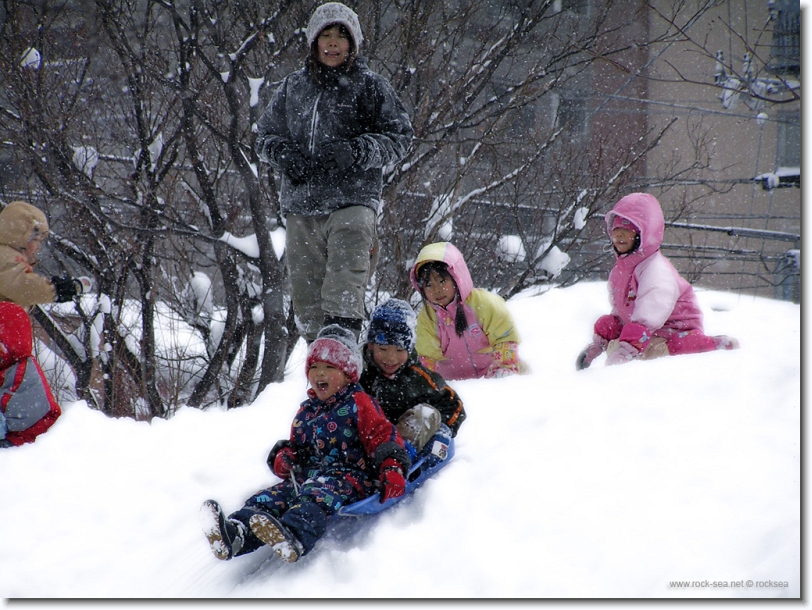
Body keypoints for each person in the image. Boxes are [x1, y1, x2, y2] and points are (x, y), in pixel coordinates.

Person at [255, 2, 414, 342]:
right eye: (325, 35)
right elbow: (263, 135)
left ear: (352, 43)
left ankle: (346, 353)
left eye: (341, 36)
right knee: (309, 307)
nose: (332, 43)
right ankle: (325, 382)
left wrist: (357, 151)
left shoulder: (370, 86)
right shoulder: (292, 87)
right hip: (302, 206)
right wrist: (283, 154)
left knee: (342, 294)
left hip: (352, 203)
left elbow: (400, 138)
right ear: (313, 41)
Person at [200, 324, 411, 563]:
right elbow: (296, 446)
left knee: (315, 494)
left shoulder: (359, 402)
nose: (320, 374)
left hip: (350, 476)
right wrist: (284, 459)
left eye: (330, 367)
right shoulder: (306, 411)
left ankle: (295, 534)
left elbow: (382, 435)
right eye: (314, 367)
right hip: (310, 474)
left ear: (348, 373)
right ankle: (238, 533)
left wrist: (392, 466)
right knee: (273, 495)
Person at [576, 192, 740, 369]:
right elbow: (620, 307)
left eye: (627, 232)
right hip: (641, 328)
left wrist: (625, 353)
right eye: (616, 232)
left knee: (664, 350)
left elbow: (650, 310)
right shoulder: (622, 268)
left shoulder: (655, 269)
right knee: (607, 323)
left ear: (642, 235)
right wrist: (612, 332)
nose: (620, 237)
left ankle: (710, 344)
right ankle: (596, 348)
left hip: (673, 328)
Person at [0, 200, 88, 447]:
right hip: (5, 342)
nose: (39, 247)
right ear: (20, 234)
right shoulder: (5, 256)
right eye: (36, 239)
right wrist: (58, 289)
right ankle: (23, 434)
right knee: (25, 384)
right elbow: (22, 287)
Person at [359, 298, 466, 454]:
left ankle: (397, 456)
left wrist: (441, 430)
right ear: (371, 345)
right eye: (383, 349)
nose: (391, 358)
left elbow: (454, 405)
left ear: (409, 349)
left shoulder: (418, 377)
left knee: (426, 414)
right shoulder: (359, 372)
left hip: (403, 439)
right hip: (365, 437)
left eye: (399, 350)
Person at [409, 241, 523, 381]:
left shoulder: (484, 304)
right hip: (453, 388)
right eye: (428, 285)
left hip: (490, 381)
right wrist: (428, 384)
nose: (436, 290)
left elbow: (504, 338)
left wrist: (504, 370)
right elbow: (427, 358)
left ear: (456, 278)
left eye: (442, 281)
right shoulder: (428, 318)